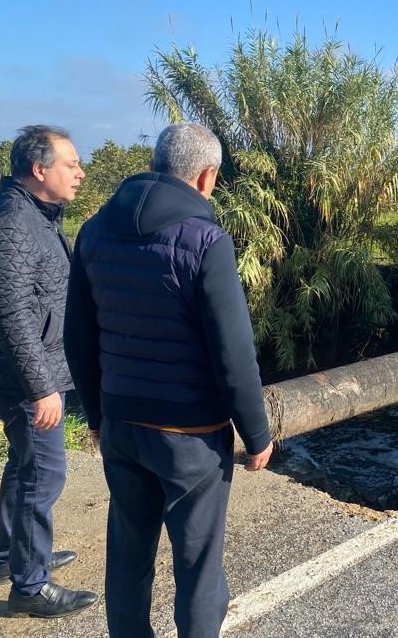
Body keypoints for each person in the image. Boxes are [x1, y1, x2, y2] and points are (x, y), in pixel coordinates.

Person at [64, 122, 274, 638]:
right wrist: (257, 433)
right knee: (199, 568)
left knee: (129, 554)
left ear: (156, 163)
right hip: (190, 436)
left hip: (121, 422)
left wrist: (96, 415)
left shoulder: (93, 230)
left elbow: (78, 336)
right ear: (206, 177)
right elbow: (233, 353)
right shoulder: (206, 240)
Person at [0, 124, 98, 618]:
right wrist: (42, 387)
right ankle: (29, 584)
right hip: (27, 378)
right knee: (41, 477)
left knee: (25, 467)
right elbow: (11, 314)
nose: (81, 174)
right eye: (72, 164)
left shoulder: (34, 215)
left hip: (31, 371)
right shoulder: (12, 223)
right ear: (39, 169)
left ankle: (13, 555)